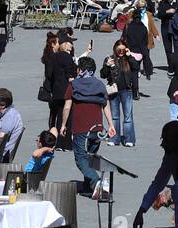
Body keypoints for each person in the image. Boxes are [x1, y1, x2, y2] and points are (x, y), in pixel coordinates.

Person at [62, 56, 116, 198]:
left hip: (81, 128)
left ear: (80, 69)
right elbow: (105, 105)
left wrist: (63, 125)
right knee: (90, 158)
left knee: (81, 159)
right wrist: (111, 124)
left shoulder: (73, 85)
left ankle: (97, 182)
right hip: (97, 129)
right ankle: (89, 187)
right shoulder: (99, 85)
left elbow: (67, 108)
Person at [101, 41, 139, 148]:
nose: (121, 52)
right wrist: (107, 66)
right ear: (115, 49)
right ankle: (114, 138)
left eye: (123, 50)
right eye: (119, 50)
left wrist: (130, 55)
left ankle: (129, 139)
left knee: (128, 116)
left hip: (126, 90)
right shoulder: (109, 59)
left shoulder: (128, 59)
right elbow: (103, 75)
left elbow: (136, 67)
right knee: (114, 117)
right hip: (113, 91)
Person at [42, 30, 77, 133]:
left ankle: (53, 133)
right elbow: (49, 74)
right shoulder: (53, 57)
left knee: (54, 113)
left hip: (54, 89)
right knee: (58, 113)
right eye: (58, 42)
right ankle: (55, 133)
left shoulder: (52, 56)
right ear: (54, 44)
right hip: (57, 89)